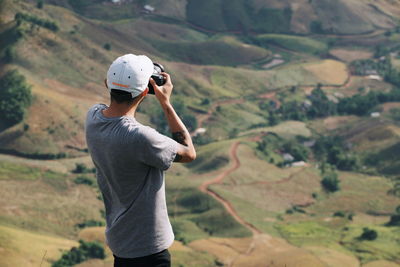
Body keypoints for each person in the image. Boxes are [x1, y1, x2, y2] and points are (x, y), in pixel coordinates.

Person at [85, 54, 196, 267]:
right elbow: (189, 153)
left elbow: (111, 112)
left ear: (107, 83)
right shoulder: (141, 137)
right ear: (145, 92)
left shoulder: (93, 117)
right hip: (148, 248)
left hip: (121, 241)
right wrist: (166, 103)